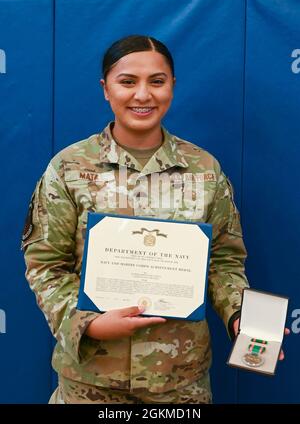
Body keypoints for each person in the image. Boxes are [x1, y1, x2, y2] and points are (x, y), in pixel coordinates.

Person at [21, 35, 286, 404]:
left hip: (180, 384)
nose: (143, 95)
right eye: (127, 81)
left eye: (157, 81)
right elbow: (45, 265)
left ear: (172, 87)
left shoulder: (205, 170)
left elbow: (224, 261)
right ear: (106, 89)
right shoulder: (69, 168)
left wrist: (240, 315)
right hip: (90, 384)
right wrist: (89, 323)